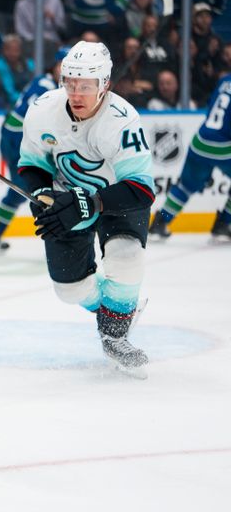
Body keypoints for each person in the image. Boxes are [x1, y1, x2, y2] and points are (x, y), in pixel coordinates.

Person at [19, 41, 154, 371]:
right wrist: (42, 195)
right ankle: (116, 307)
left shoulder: (122, 121)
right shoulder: (42, 111)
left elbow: (141, 189)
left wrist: (91, 202)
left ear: (104, 84)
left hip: (117, 200)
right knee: (69, 289)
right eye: (70, 83)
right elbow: (31, 165)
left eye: (86, 86)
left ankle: (114, 336)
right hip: (67, 201)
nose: (76, 94)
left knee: (127, 258)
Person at [0, 46, 69, 253]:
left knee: (21, 190)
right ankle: (55, 234)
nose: (66, 72)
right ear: (55, 65)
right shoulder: (50, 88)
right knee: (30, 188)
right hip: (19, 140)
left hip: (13, 135)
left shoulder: (43, 81)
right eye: (63, 66)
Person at [149, 74, 231, 241]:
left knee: (186, 186)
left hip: (200, 141)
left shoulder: (225, 80)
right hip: (225, 146)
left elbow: (211, 106)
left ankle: (159, 224)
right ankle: (223, 224)